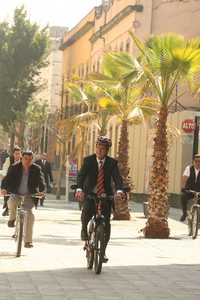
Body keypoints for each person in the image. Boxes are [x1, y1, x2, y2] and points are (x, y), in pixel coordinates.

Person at [75, 136, 124, 262]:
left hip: (105, 195)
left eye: (102, 149)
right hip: (90, 193)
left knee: (106, 224)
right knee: (86, 212)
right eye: (98, 148)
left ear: (107, 150)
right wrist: (79, 189)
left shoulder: (112, 163)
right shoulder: (88, 160)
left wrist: (119, 190)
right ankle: (84, 230)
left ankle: (103, 252)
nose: (99, 151)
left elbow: (117, 178)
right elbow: (81, 176)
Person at [1, 150, 45, 248]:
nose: (28, 161)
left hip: (29, 195)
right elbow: (6, 179)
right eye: (25, 159)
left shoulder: (36, 169)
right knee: (11, 202)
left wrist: (42, 191)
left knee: (29, 215)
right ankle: (12, 219)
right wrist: (3, 189)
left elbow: (41, 182)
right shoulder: (14, 167)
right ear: (22, 158)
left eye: (30, 159)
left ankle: (28, 241)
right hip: (15, 193)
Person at [0, 146, 22, 216]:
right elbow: (5, 171)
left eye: (19, 153)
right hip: (10, 179)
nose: (17, 155)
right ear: (13, 154)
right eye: (16, 154)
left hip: (20, 180)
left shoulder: (23, 160)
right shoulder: (9, 160)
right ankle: (7, 207)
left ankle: (20, 208)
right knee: (7, 192)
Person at [180, 153, 200, 222]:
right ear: (193, 162)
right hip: (190, 190)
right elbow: (184, 178)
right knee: (183, 197)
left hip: (199, 191)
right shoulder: (189, 168)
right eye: (196, 161)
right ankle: (184, 213)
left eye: (199, 161)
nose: (198, 163)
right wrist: (183, 187)